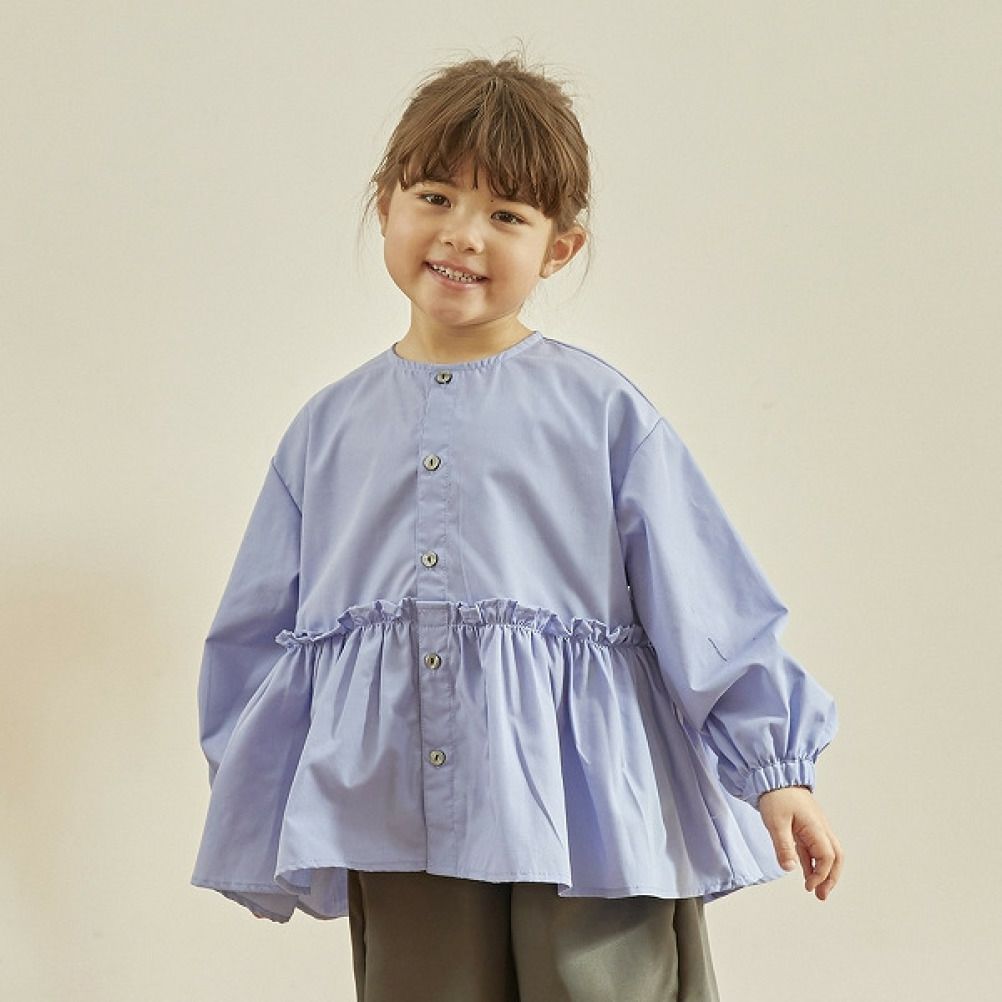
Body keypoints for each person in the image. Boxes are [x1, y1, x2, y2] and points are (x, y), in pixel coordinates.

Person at [190, 51, 843, 1002]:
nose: (463, 234)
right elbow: (256, 637)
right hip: (395, 807)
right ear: (386, 204)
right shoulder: (325, 432)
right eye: (436, 197)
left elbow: (706, 601)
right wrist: (264, 786)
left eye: (507, 214)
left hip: (589, 814)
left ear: (558, 248)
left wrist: (776, 769)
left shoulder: (601, 414)